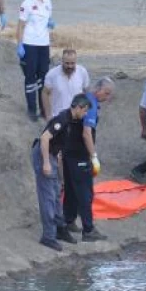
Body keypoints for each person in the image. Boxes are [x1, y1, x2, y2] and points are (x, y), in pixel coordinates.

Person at [31, 93, 92, 252]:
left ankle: (60, 229)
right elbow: (45, 138)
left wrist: (60, 174)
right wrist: (45, 163)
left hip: (52, 155)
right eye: (85, 111)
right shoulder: (63, 119)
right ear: (79, 108)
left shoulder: (71, 120)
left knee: (57, 192)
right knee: (48, 197)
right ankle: (48, 236)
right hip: (44, 154)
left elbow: (58, 150)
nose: (85, 115)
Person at [62, 77, 115, 241]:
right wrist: (94, 156)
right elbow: (87, 132)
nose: (108, 97)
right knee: (85, 192)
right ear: (98, 89)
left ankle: (68, 220)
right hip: (80, 155)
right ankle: (88, 229)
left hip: (68, 152)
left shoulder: (82, 99)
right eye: (106, 93)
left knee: (71, 189)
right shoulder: (89, 106)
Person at [17, 0, 55, 121]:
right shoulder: (26, 3)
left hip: (43, 44)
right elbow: (20, 26)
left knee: (44, 78)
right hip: (30, 44)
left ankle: (43, 108)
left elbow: (48, 19)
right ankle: (31, 108)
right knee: (30, 76)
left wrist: (51, 23)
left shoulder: (48, 2)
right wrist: (20, 44)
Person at [42, 49, 91, 120]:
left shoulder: (82, 72)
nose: (70, 66)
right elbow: (45, 93)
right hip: (58, 116)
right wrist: (48, 115)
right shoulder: (52, 74)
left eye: (72, 63)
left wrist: (86, 112)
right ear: (62, 61)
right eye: (67, 63)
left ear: (76, 61)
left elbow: (87, 91)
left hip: (77, 116)